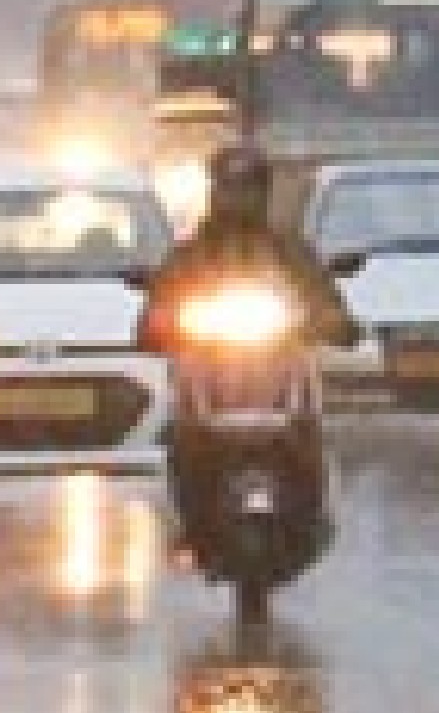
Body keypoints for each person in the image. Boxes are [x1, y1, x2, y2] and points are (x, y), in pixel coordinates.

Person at [136, 142, 362, 557]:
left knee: (310, 426)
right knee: (181, 434)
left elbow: (324, 298)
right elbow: (160, 303)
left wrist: (333, 321)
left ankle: (311, 513)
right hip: (209, 373)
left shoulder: (289, 251)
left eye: (249, 187)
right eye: (230, 187)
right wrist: (158, 323)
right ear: (214, 191)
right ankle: (189, 519)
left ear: (264, 192)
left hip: (279, 373)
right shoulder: (192, 253)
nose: (238, 198)